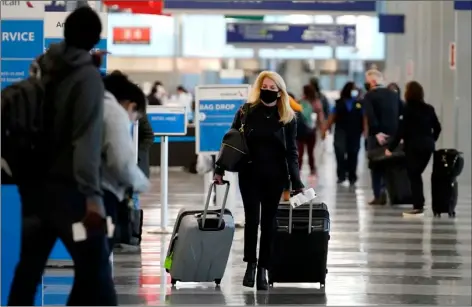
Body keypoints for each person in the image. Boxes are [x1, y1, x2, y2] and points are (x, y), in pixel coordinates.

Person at [8, 7, 117, 305]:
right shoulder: (87, 78)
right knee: (95, 269)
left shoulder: (45, 66)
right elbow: (85, 142)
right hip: (71, 195)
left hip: (34, 190)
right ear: (95, 37)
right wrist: (93, 200)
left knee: (28, 271)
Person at [213, 71, 304, 291]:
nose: (269, 91)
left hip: (275, 176)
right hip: (249, 173)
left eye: (273, 88)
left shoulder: (287, 117)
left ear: (280, 92)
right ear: (259, 87)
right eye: (265, 86)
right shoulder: (245, 112)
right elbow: (231, 142)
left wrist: (297, 181)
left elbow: (291, 152)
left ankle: (264, 267)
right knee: (252, 220)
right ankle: (250, 264)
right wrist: (219, 168)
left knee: (269, 222)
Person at [101, 73, 151, 246]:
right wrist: (141, 183)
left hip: (61, 189)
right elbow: (120, 161)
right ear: (131, 106)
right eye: (134, 117)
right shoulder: (114, 111)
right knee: (98, 255)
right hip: (99, 194)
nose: (131, 121)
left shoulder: (89, 102)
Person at [385, 81, 441, 216]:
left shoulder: (407, 109)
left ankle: (418, 206)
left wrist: (390, 148)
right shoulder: (429, 108)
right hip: (427, 147)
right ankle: (419, 203)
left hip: (414, 147)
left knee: (414, 175)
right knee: (416, 174)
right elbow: (437, 128)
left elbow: (401, 131)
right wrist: (431, 140)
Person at [363, 69, 402, 205]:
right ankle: (389, 192)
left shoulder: (369, 96)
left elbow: (371, 116)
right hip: (393, 136)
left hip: (377, 136)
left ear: (373, 82)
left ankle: (378, 195)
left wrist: (377, 132)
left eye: (367, 82)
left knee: (375, 166)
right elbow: (402, 112)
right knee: (389, 165)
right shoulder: (393, 95)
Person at [323, 82, 367, 186]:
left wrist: (365, 130)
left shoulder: (359, 103)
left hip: (355, 132)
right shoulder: (338, 103)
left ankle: (352, 176)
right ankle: (341, 175)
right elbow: (332, 116)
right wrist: (326, 129)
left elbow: (364, 117)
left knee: (353, 153)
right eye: (353, 89)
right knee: (340, 153)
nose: (354, 91)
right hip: (340, 131)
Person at [297, 85, 325, 175]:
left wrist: (322, 129)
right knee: (308, 151)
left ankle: (300, 169)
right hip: (310, 130)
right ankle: (311, 169)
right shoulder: (315, 102)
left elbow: (320, 117)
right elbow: (320, 117)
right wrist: (322, 129)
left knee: (302, 151)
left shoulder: (301, 101)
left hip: (302, 130)